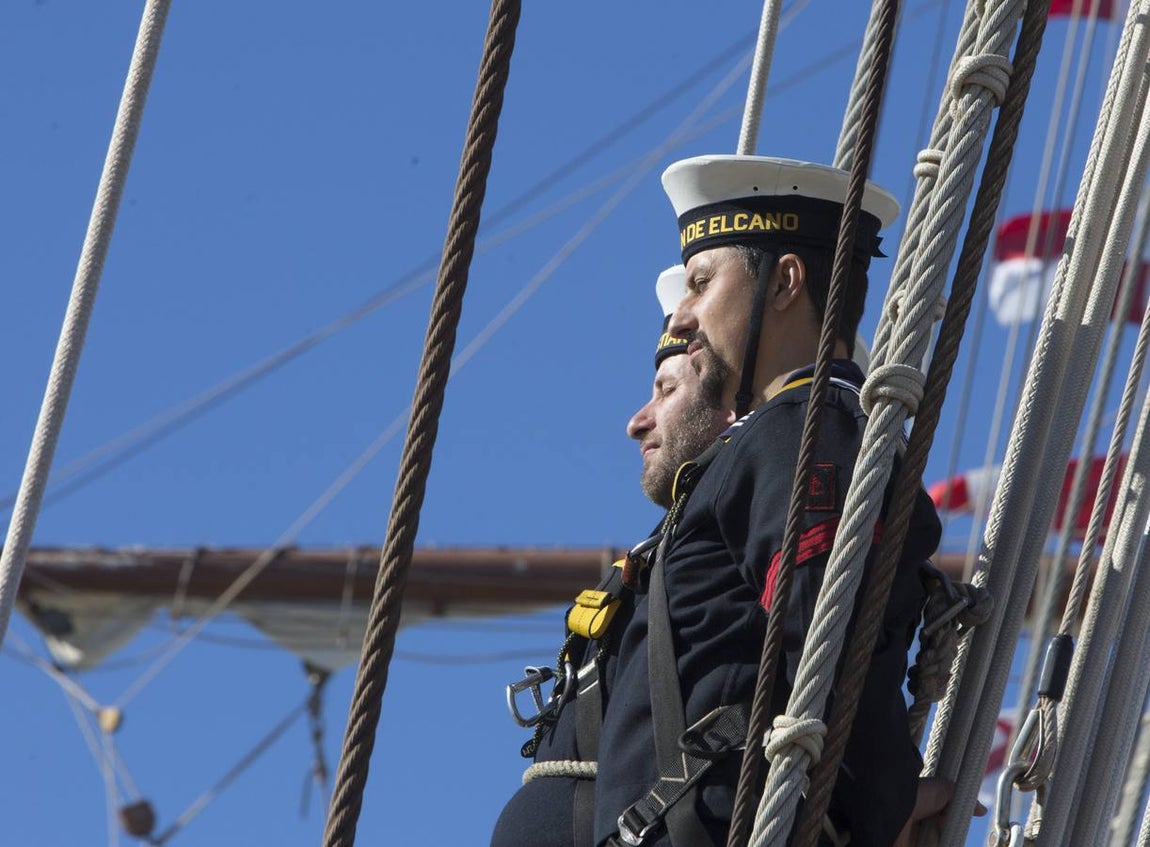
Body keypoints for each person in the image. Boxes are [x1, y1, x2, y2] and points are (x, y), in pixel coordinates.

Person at [593, 156, 943, 846]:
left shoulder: (804, 426)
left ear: (784, 282)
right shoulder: (771, 437)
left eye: (701, 283)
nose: (683, 316)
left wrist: (880, 807)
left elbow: (829, 631)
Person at [491, 267, 733, 847]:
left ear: (731, 407)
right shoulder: (667, 552)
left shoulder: (739, 533)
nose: (636, 422)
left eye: (667, 391)